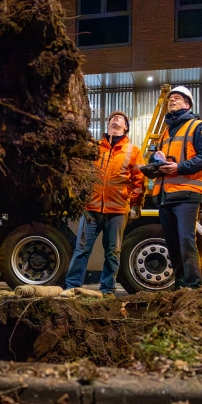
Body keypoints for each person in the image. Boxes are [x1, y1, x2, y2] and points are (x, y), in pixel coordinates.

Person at [64, 111, 145, 296]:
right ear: (107, 124)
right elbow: (78, 171)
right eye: (112, 118)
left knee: (113, 252)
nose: (115, 118)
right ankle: (71, 287)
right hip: (91, 209)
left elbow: (139, 181)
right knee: (81, 249)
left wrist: (136, 205)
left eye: (120, 118)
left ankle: (107, 290)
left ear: (126, 127)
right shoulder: (93, 148)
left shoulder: (133, 151)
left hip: (117, 210)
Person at [149, 86, 202, 290]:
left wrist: (178, 167)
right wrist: (154, 164)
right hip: (165, 196)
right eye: (170, 99)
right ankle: (180, 288)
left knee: (186, 241)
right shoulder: (165, 133)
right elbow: (156, 158)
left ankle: (194, 287)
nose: (171, 101)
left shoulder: (198, 126)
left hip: (187, 194)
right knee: (172, 244)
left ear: (187, 105)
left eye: (177, 98)